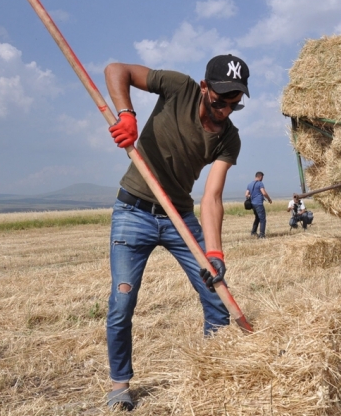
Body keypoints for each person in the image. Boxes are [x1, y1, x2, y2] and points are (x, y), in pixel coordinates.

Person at [103, 54, 250, 410]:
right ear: (204, 88)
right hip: (133, 210)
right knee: (122, 302)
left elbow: (212, 196)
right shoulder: (178, 87)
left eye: (235, 104)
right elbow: (115, 70)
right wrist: (127, 114)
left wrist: (214, 253)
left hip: (179, 218)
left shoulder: (229, 139)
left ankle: (210, 372)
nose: (225, 111)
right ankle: (120, 385)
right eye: (220, 101)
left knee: (216, 296)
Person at [246, 171, 272, 238]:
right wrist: (269, 199)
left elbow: (246, 194)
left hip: (253, 204)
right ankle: (262, 235)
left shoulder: (249, 184)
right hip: (259, 203)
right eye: (262, 177)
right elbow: (264, 193)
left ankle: (253, 232)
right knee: (262, 219)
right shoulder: (260, 183)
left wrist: (252, 196)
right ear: (260, 177)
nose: (262, 179)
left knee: (257, 218)